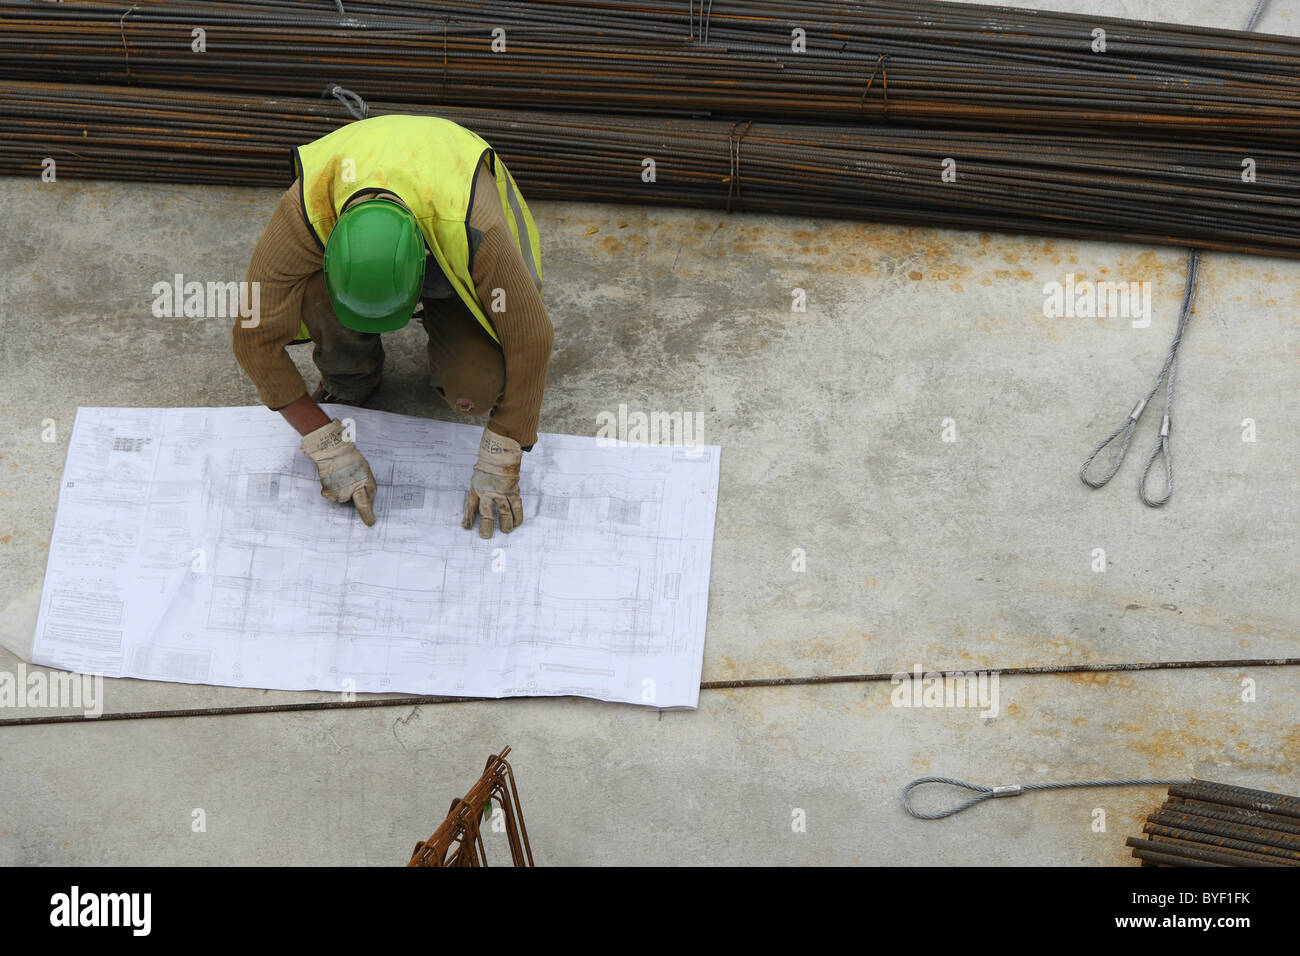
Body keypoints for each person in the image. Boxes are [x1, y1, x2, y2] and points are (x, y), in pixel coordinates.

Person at [232, 113, 553, 538]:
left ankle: (445, 308)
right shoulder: (307, 211)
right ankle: (351, 375)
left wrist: (503, 453)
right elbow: (251, 337)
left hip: (450, 251)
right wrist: (324, 444)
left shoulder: (475, 225)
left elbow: (531, 335)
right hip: (372, 226)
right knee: (306, 296)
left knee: (474, 390)